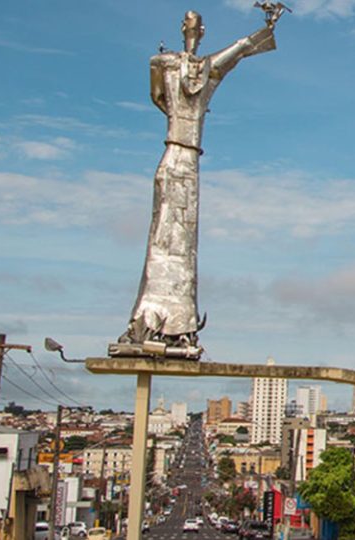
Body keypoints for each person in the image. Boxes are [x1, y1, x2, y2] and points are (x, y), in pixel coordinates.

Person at [116, 10, 281, 353]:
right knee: (164, 233)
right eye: (189, 23)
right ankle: (151, 320)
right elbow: (159, 97)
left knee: (184, 243)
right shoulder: (163, 62)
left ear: (202, 31)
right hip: (175, 154)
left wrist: (267, 28)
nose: (193, 28)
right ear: (183, 28)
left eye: (197, 24)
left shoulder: (208, 68)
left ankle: (177, 324)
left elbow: (241, 50)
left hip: (191, 160)